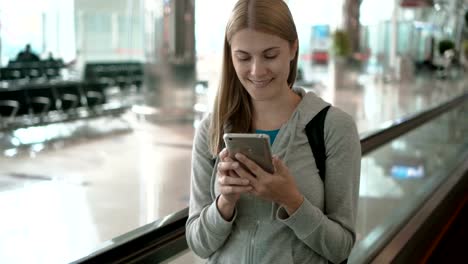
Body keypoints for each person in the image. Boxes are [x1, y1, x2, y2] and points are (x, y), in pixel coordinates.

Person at [186, 0, 361, 263]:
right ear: (230, 55)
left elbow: (340, 248)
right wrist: (225, 203)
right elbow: (199, 244)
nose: (257, 71)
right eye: (243, 57)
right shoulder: (212, 130)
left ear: (293, 48)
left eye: (270, 55)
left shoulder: (333, 128)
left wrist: (291, 201)